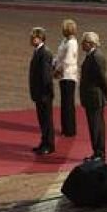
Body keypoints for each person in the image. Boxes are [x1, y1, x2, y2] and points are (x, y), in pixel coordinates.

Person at [79, 31, 107, 161]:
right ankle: (97, 152)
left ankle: (100, 154)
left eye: (83, 42)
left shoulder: (96, 57)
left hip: (95, 98)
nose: (81, 44)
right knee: (94, 127)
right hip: (91, 98)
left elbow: (102, 77)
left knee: (96, 127)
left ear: (90, 43)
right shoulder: (91, 55)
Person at [28, 26, 55, 155]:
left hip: (44, 93)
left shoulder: (45, 53)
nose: (31, 40)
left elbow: (46, 76)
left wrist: (46, 93)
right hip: (40, 93)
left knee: (47, 120)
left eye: (33, 37)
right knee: (42, 119)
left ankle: (49, 145)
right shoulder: (38, 51)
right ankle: (44, 142)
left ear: (40, 38)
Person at [53, 19, 78, 137]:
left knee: (68, 103)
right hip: (64, 75)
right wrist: (53, 63)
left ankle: (69, 130)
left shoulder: (72, 43)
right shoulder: (65, 41)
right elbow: (59, 56)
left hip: (68, 75)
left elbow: (67, 60)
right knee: (65, 102)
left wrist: (57, 70)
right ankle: (65, 128)